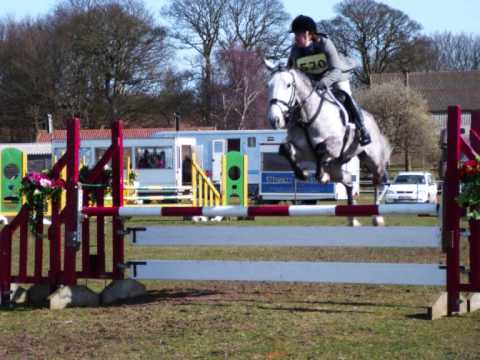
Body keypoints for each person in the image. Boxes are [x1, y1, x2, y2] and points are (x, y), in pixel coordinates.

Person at [287, 15, 371, 146]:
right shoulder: (295, 50)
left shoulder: (325, 44)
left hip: (335, 75)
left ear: (308, 34)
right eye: (295, 34)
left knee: (345, 94)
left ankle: (362, 129)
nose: (295, 38)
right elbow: (291, 71)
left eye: (298, 34)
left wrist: (324, 83)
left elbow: (335, 70)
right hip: (313, 80)